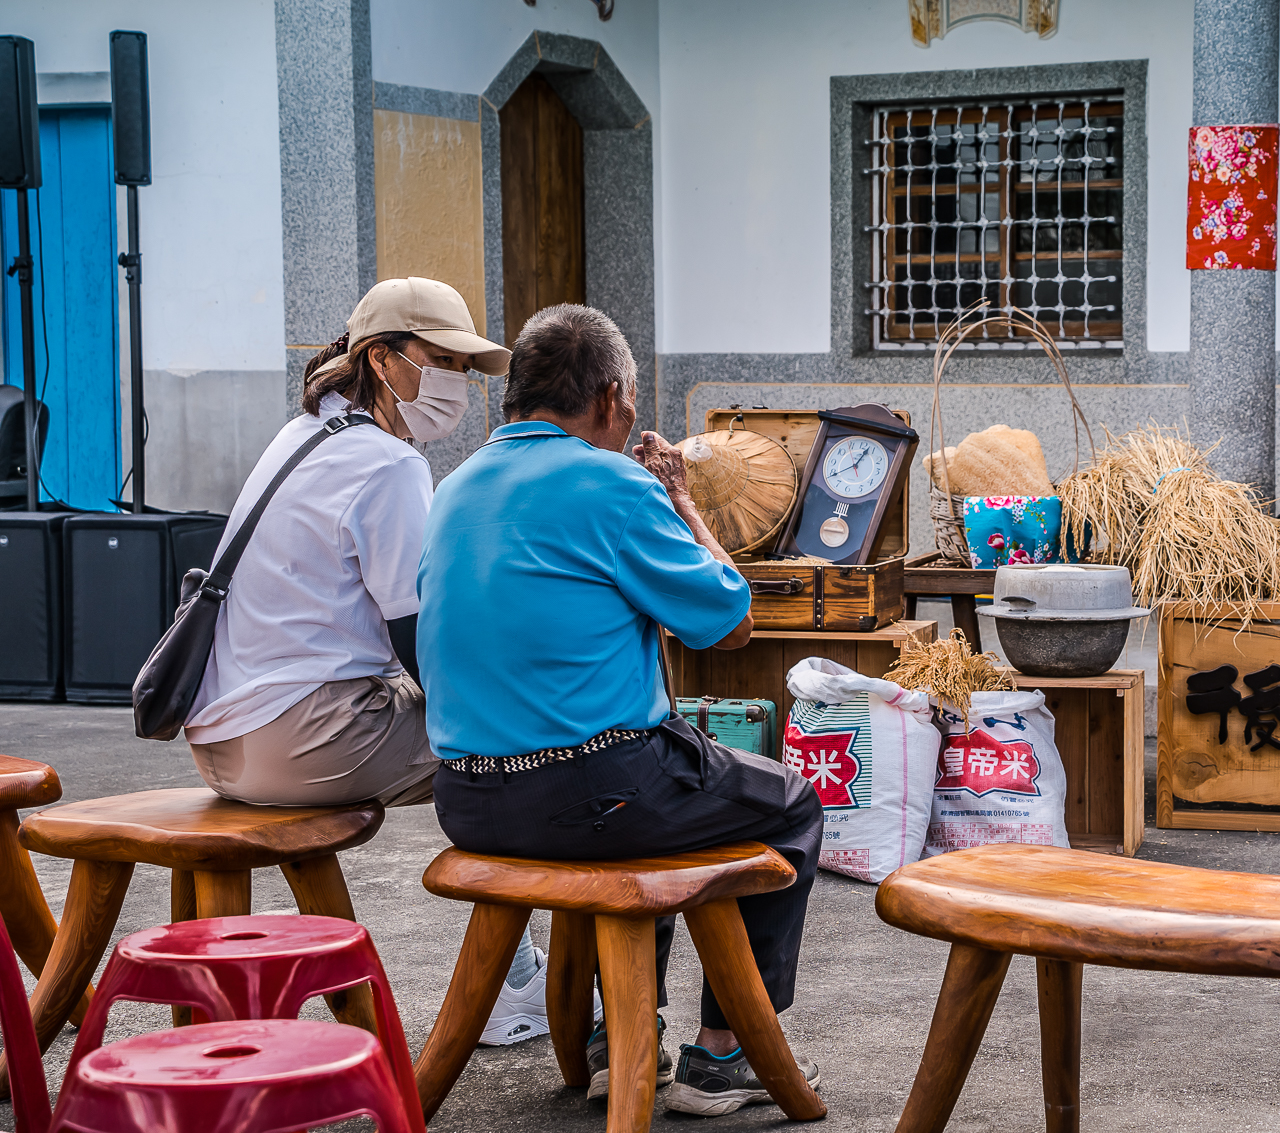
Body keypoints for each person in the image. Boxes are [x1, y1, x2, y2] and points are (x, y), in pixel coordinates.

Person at [417, 304, 824, 1118]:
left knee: (666, 788)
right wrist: (680, 499)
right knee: (789, 803)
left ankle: (618, 1040)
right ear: (609, 398)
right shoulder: (613, 481)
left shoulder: (455, 488)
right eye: (630, 401)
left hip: (467, 800)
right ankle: (724, 1055)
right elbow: (730, 620)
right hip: (594, 795)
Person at [184, 275, 549, 1047]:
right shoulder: (387, 464)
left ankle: (519, 977)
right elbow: (425, 639)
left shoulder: (304, 434)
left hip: (225, 740)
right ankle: (518, 987)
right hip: (301, 737)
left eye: (466, 368)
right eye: (442, 360)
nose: (458, 384)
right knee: (534, 750)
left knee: (500, 734)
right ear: (382, 360)